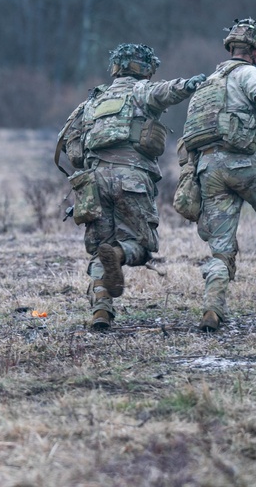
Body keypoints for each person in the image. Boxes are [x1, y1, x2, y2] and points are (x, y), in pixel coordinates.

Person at [58, 43, 205, 331]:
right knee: (141, 244)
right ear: (146, 69)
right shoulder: (141, 91)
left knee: (99, 247)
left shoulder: (92, 102)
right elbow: (167, 91)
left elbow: (72, 150)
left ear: (115, 68)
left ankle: (101, 309)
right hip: (132, 179)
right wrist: (190, 84)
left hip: (94, 182)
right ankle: (119, 256)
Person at [180, 18, 256, 332]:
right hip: (245, 165)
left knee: (221, 246)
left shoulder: (208, 82)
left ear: (231, 47)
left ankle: (212, 310)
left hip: (209, 169)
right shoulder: (248, 73)